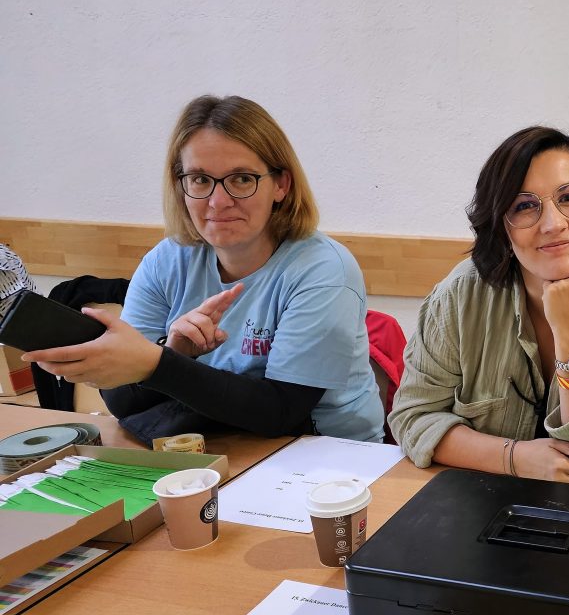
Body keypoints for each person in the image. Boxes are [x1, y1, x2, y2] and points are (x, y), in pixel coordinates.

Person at [25, 95, 384, 443]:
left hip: (326, 455)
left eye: (241, 179)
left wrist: (158, 363)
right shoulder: (165, 261)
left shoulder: (324, 270)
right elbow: (123, 402)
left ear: (281, 185)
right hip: (217, 443)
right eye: (199, 179)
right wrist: (174, 352)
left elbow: (280, 412)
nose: (218, 201)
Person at [390, 126, 569, 484]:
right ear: (503, 230)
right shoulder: (461, 294)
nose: (554, 224)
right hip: (483, 496)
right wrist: (515, 458)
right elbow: (414, 418)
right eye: (524, 206)